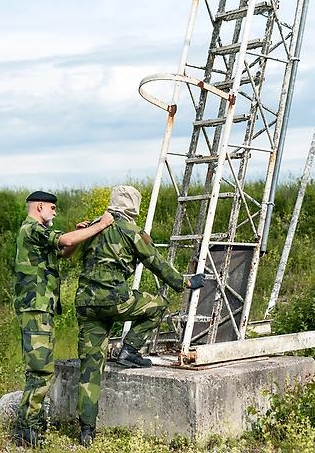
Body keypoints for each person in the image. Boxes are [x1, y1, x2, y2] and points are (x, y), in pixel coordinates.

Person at [74, 185, 204, 446]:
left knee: (90, 368)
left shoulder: (92, 228)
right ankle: (130, 350)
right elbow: (155, 262)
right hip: (114, 301)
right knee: (157, 304)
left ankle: (87, 430)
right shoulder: (131, 231)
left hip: (86, 304)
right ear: (133, 206)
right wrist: (185, 283)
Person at [13, 190, 115, 448]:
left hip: (42, 309)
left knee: (43, 367)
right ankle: (27, 429)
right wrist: (101, 225)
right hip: (35, 309)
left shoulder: (38, 235)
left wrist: (79, 236)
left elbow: (64, 250)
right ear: (39, 207)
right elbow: (64, 239)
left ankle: (32, 425)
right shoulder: (32, 229)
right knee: (40, 369)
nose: (54, 213)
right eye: (52, 208)